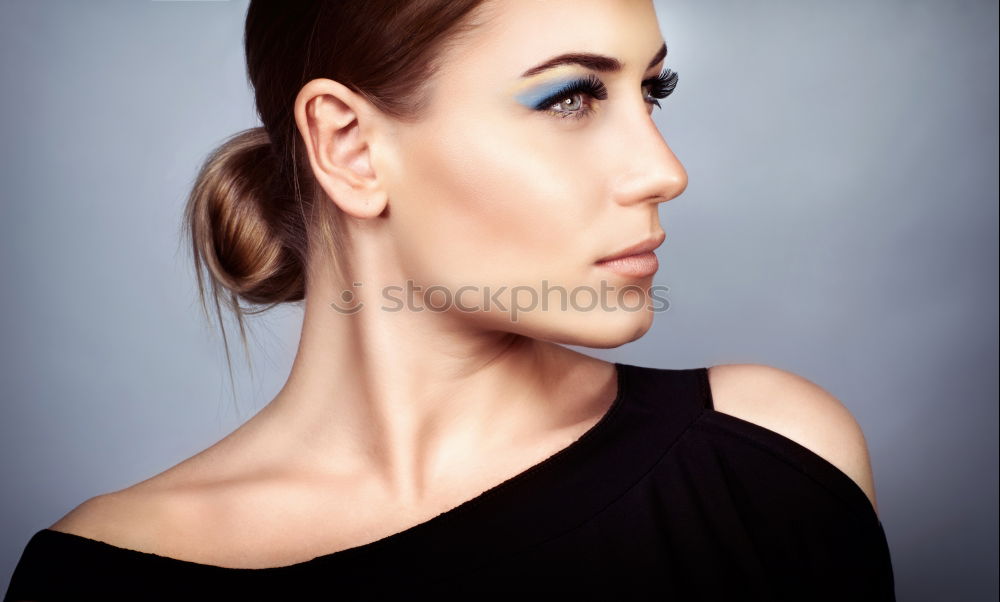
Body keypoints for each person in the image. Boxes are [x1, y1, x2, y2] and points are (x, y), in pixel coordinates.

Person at [4, 0, 896, 599]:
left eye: (651, 90)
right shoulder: (100, 573)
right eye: (573, 97)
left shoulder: (770, 461)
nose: (665, 170)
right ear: (350, 147)